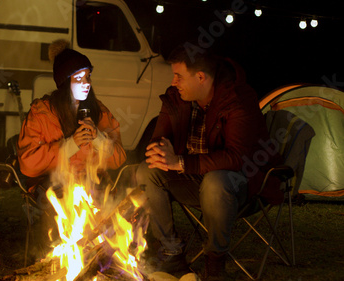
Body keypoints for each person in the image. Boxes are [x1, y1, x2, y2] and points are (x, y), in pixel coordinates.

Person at [136, 47, 283, 280]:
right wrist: (159, 150)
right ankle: (171, 251)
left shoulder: (237, 99)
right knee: (147, 171)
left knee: (216, 181)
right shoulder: (176, 96)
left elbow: (236, 157)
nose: (174, 83)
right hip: (196, 180)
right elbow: (159, 138)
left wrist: (181, 162)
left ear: (201, 77)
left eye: (179, 77)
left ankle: (215, 260)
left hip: (241, 184)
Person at [17, 39, 127, 256]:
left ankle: (99, 259)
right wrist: (69, 145)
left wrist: (98, 139)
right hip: (53, 184)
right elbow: (27, 164)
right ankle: (62, 257)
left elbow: (119, 158)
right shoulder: (42, 113)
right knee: (62, 194)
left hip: (92, 182)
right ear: (64, 82)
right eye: (78, 78)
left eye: (88, 77)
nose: (86, 83)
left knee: (105, 198)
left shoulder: (98, 111)